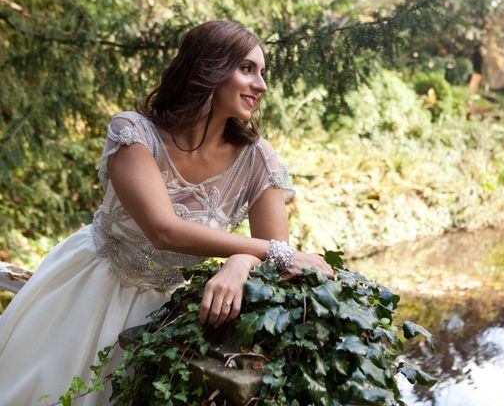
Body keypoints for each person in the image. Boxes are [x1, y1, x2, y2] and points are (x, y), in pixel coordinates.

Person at [0, 20, 333, 405]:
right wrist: (263, 251)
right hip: (86, 290)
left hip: (163, 313)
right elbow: (163, 230)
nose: (261, 85)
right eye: (247, 69)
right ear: (207, 68)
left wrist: (240, 262)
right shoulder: (134, 133)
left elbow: (276, 251)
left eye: (262, 72)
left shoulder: (257, 158)